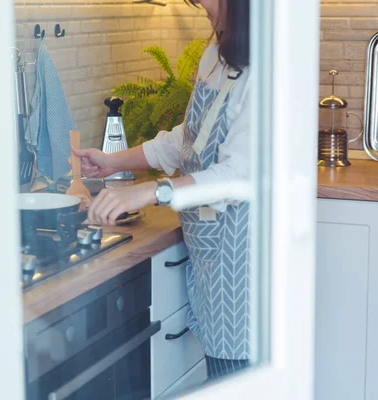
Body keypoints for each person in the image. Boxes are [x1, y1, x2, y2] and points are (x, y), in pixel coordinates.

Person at [69, 0, 251, 380]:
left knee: (239, 378)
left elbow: (239, 175)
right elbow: (186, 140)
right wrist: (113, 161)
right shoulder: (216, 55)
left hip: (245, 271)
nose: (201, 7)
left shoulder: (266, 72)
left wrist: (152, 192)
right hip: (212, 263)